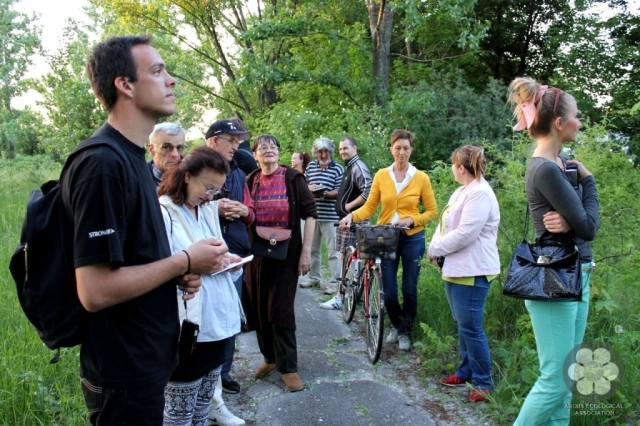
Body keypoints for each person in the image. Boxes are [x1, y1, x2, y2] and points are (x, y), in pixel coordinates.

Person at [61, 35, 227, 425]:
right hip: (123, 372)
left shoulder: (132, 159)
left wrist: (179, 271)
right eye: (157, 70)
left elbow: (134, 260)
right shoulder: (102, 164)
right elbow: (95, 290)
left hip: (147, 360)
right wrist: (184, 260)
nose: (170, 80)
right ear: (125, 84)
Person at [507, 78, 599, 425]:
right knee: (555, 380)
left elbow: (580, 223)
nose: (580, 121)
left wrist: (576, 214)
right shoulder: (545, 169)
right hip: (555, 281)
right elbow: (589, 226)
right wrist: (589, 183)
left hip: (577, 274)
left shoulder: (562, 165)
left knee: (566, 377)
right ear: (559, 123)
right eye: (576, 116)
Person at [158, 146, 244, 425]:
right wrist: (199, 264)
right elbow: (165, 266)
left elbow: (216, 252)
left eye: (215, 190)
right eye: (207, 187)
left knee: (203, 405)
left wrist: (230, 262)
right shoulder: (165, 212)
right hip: (190, 327)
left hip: (218, 320)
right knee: (179, 411)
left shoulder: (206, 210)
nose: (210, 196)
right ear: (186, 176)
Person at [340, 129, 438, 351]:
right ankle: (397, 325)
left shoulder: (421, 177)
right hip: (386, 237)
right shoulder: (382, 175)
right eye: (398, 148)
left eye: (406, 148)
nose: (402, 152)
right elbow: (370, 207)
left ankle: (405, 330)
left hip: (413, 238)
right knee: (389, 290)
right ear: (391, 149)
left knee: (409, 288)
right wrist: (352, 216)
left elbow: (432, 212)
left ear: (411, 150)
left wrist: (411, 219)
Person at [427, 145, 500, 403]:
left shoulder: (480, 193)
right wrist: (435, 248)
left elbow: (466, 233)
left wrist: (436, 248)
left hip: (474, 270)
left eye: (452, 164)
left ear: (460, 167)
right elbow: (445, 225)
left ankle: (483, 382)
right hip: (456, 268)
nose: (451, 169)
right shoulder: (462, 191)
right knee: (463, 325)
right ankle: (466, 371)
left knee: (471, 327)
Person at [244, 134, 317, 392]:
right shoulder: (250, 180)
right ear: (254, 155)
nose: (268, 150)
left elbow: (310, 215)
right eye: (262, 148)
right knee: (258, 307)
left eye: (273, 146)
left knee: (281, 307)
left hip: (287, 252)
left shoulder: (293, 178)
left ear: (279, 152)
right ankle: (270, 359)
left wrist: (306, 251)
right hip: (257, 254)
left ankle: (289, 368)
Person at [204, 119, 254, 425]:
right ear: (212, 141)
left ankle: (223, 375)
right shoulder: (194, 169)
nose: (236, 145)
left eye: (238, 140)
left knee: (229, 317)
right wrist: (217, 207)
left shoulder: (237, 173)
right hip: (205, 254)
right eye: (230, 140)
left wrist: (243, 211)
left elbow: (251, 212)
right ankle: (205, 386)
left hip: (233, 252)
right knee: (206, 320)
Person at [320, 137, 372, 309]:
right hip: (344, 220)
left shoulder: (358, 167)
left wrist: (349, 206)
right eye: (341, 149)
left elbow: (368, 190)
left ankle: (341, 297)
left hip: (354, 220)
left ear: (355, 148)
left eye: (346, 148)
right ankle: (345, 294)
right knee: (346, 257)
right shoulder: (350, 166)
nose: (343, 151)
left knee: (348, 256)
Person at [300, 137, 344, 292]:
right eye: (320, 152)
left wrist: (323, 194)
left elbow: (340, 191)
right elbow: (303, 185)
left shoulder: (338, 168)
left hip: (330, 216)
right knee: (313, 248)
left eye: (326, 151)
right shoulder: (311, 167)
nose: (323, 155)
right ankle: (314, 278)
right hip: (313, 215)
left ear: (330, 151)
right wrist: (309, 188)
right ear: (315, 153)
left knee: (333, 251)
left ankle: (335, 283)